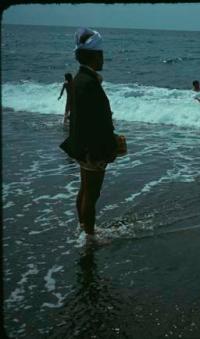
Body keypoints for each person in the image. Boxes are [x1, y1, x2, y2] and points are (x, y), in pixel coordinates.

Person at [59, 27, 118, 237]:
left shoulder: (81, 80)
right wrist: (108, 146)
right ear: (93, 57)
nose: (103, 58)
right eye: (100, 54)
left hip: (83, 145)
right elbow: (94, 122)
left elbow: (82, 118)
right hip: (92, 148)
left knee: (84, 190)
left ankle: (84, 228)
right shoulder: (88, 83)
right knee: (91, 194)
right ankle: (90, 238)